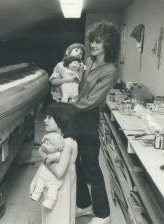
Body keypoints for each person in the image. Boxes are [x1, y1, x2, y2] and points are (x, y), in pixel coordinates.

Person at [73, 21, 120, 224]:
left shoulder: (110, 70)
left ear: (108, 44)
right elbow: (80, 86)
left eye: (98, 42)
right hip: (76, 114)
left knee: (91, 165)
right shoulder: (89, 61)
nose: (93, 45)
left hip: (88, 117)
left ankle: (103, 214)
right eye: (92, 41)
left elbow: (93, 100)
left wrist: (70, 107)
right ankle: (84, 205)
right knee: (74, 160)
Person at [30, 102, 78, 224]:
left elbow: (60, 172)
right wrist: (35, 179)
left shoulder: (67, 143)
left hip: (63, 188)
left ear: (61, 120)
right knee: (50, 216)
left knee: (60, 217)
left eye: (49, 118)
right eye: (46, 117)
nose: (45, 120)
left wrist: (44, 157)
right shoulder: (54, 139)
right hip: (53, 185)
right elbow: (46, 166)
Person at [29, 132, 65, 209]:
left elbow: (52, 159)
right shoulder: (45, 151)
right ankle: (36, 194)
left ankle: (50, 202)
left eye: (48, 144)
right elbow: (41, 150)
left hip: (53, 179)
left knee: (52, 191)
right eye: (44, 143)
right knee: (39, 184)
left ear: (57, 147)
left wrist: (47, 157)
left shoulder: (58, 154)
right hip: (44, 174)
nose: (44, 145)